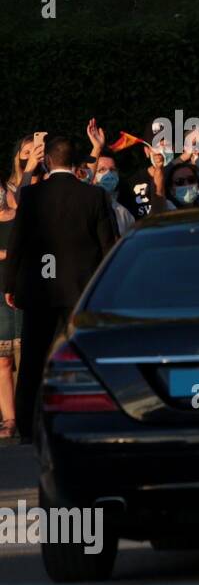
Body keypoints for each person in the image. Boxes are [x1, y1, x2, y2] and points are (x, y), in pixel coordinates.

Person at [2, 136, 118, 441]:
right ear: (74, 161)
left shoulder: (31, 196)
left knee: (32, 362)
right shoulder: (93, 196)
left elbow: (18, 244)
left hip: (39, 292)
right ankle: (86, 419)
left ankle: (27, 426)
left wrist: (10, 284)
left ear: (47, 161)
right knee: (82, 357)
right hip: (80, 293)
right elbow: (109, 246)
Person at [0, 182, 20, 437]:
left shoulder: (22, 218)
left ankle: (27, 415)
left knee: (27, 358)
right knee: (3, 361)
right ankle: (9, 419)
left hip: (23, 292)